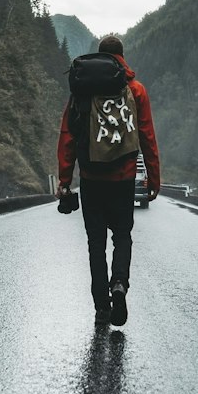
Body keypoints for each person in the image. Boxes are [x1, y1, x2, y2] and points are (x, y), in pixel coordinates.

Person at [57, 34, 161, 327]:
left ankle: (102, 308)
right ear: (122, 56)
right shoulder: (136, 90)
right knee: (122, 236)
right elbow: (147, 136)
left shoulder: (82, 90)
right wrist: (153, 177)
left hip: (91, 178)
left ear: (100, 56)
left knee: (95, 244)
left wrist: (65, 179)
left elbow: (68, 135)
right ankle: (119, 284)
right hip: (124, 178)